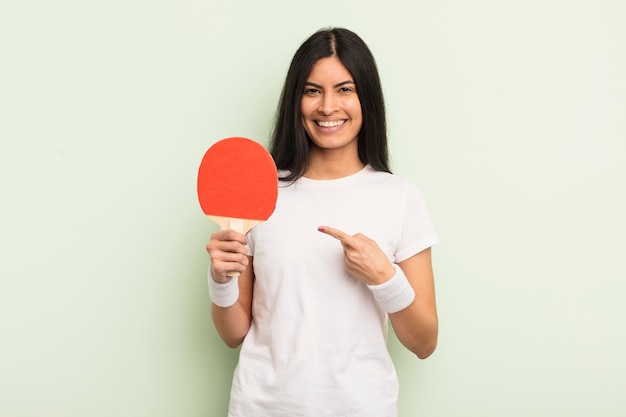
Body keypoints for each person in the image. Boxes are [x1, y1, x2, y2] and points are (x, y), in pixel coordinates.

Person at [206, 27, 439, 417]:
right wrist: (220, 279)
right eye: (312, 90)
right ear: (296, 99)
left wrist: (385, 277)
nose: (328, 106)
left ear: (366, 97)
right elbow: (233, 334)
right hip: (262, 407)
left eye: (345, 89)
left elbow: (424, 342)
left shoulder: (401, 198)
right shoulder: (259, 192)